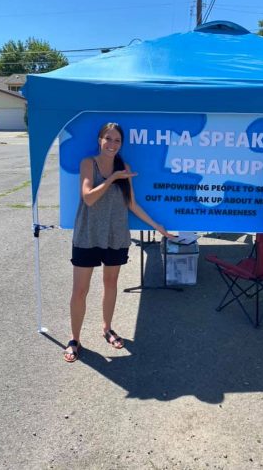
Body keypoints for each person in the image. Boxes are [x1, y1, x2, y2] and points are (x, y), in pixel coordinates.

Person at [64, 122, 174, 362]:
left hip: (115, 235)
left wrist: (158, 227)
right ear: (99, 140)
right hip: (88, 235)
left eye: (117, 141)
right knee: (80, 290)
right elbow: (89, 198)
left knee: (110, 283)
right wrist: (113, 177)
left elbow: (131, 203)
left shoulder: (125, 167)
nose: (112, 144)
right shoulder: (88, 164)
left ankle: (107, 328)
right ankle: (74, 339)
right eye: (108, 139)